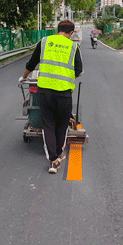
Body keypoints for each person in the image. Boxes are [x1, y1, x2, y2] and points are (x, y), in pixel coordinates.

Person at [20, 20, 83, 174]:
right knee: (62, 125)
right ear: (71, 32)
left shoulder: (45, 41)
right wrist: (66, 77)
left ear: (57, 30)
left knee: (48, 124)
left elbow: (31, 63)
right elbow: (79, 70)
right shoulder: (74, 46)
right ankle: (58, 155)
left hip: (45, 91)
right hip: (64, 93)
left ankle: (53, 160)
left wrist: (23, 77)